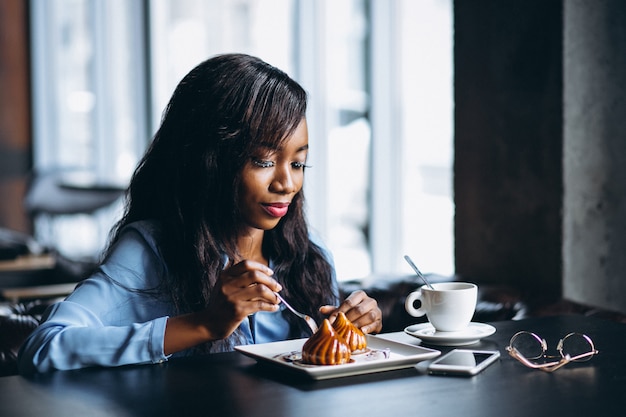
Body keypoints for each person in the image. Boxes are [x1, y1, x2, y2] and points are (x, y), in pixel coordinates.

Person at [18, 53, 382, 374]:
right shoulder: (151, 251)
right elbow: (43, 348)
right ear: (210, 161)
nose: (286, 183)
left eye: (299, 162)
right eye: (264, 161)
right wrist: (205, 324)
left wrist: (349, 329)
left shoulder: (309, 255)